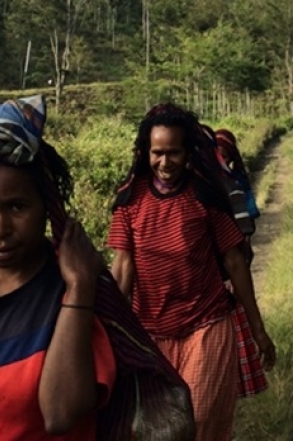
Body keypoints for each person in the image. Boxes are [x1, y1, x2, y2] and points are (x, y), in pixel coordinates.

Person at [0, 96, 194, 441]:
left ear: (46, 208)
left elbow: (60, 413)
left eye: (17, 206)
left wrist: (80, 289)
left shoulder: (73, 290)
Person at [107, 103, 276, 441]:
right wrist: (106, 332)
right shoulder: (129, 202)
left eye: (173, 152)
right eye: (157, 153)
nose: (165, 162)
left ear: (188, 153)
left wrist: (259, 330)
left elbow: (234, 262)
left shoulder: (204, 196)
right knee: (158, 429)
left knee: (198, 422)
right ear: (145, 152)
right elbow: (123, 268)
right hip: (151, 334)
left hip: (206, 326)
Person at [214, 128, 260, 264]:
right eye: (217, 156)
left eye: (225, 157)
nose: (220, 161)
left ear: (232, 157)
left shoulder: (239, 181)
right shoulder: (206, 181)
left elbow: (249, 220)